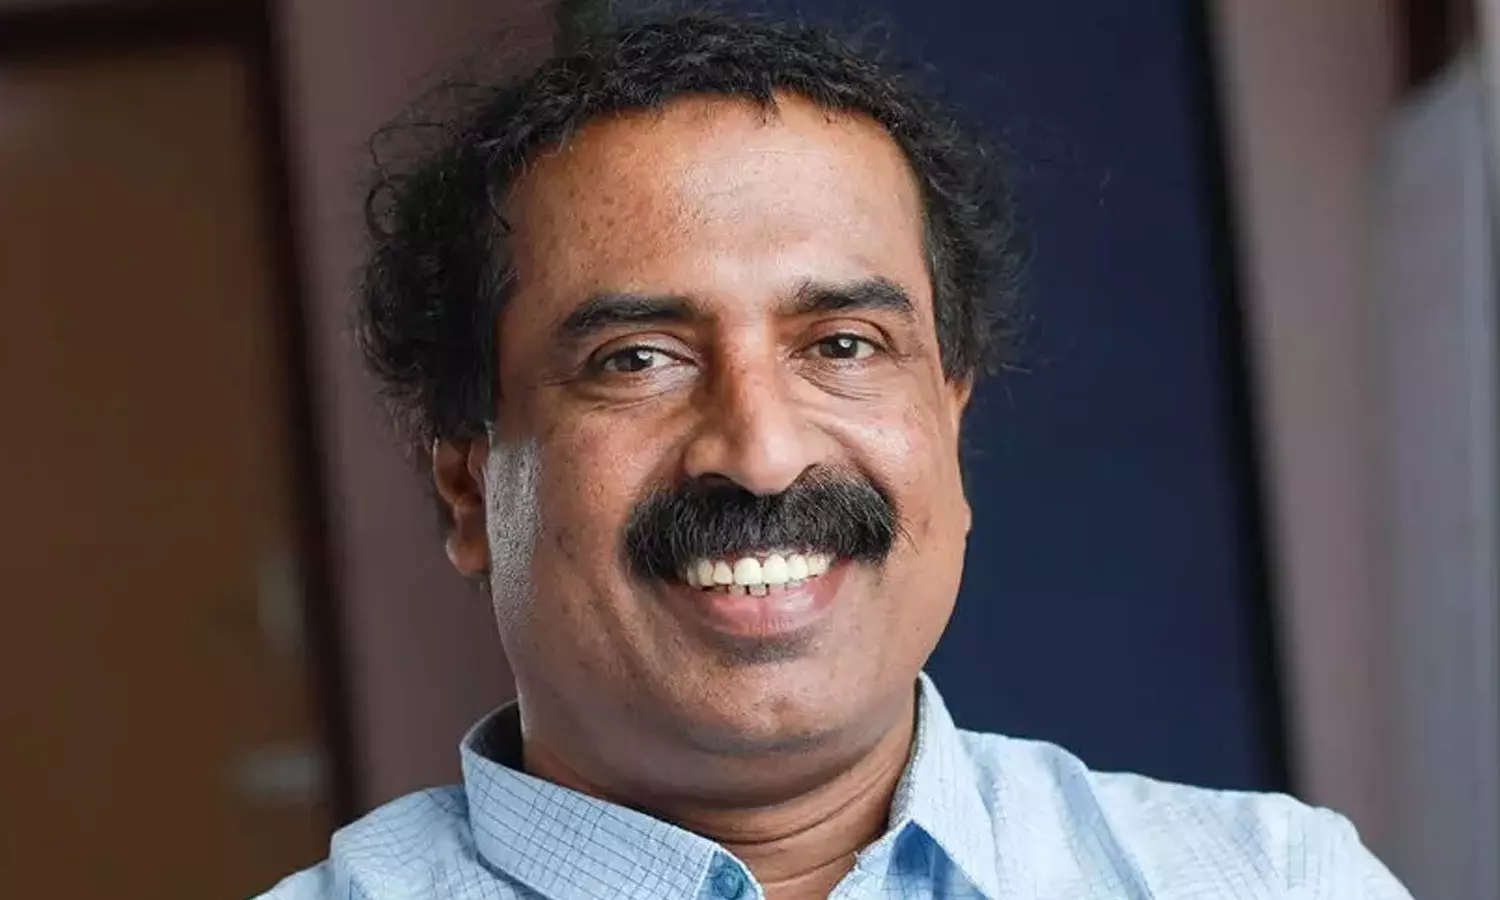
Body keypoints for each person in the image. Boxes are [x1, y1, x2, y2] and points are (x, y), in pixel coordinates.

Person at [262, 11, 1412, 900]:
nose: (762, 454)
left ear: (949, 426)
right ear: (468, 487)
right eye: (638, 359)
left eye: (843, 345)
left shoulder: (1273, 881)